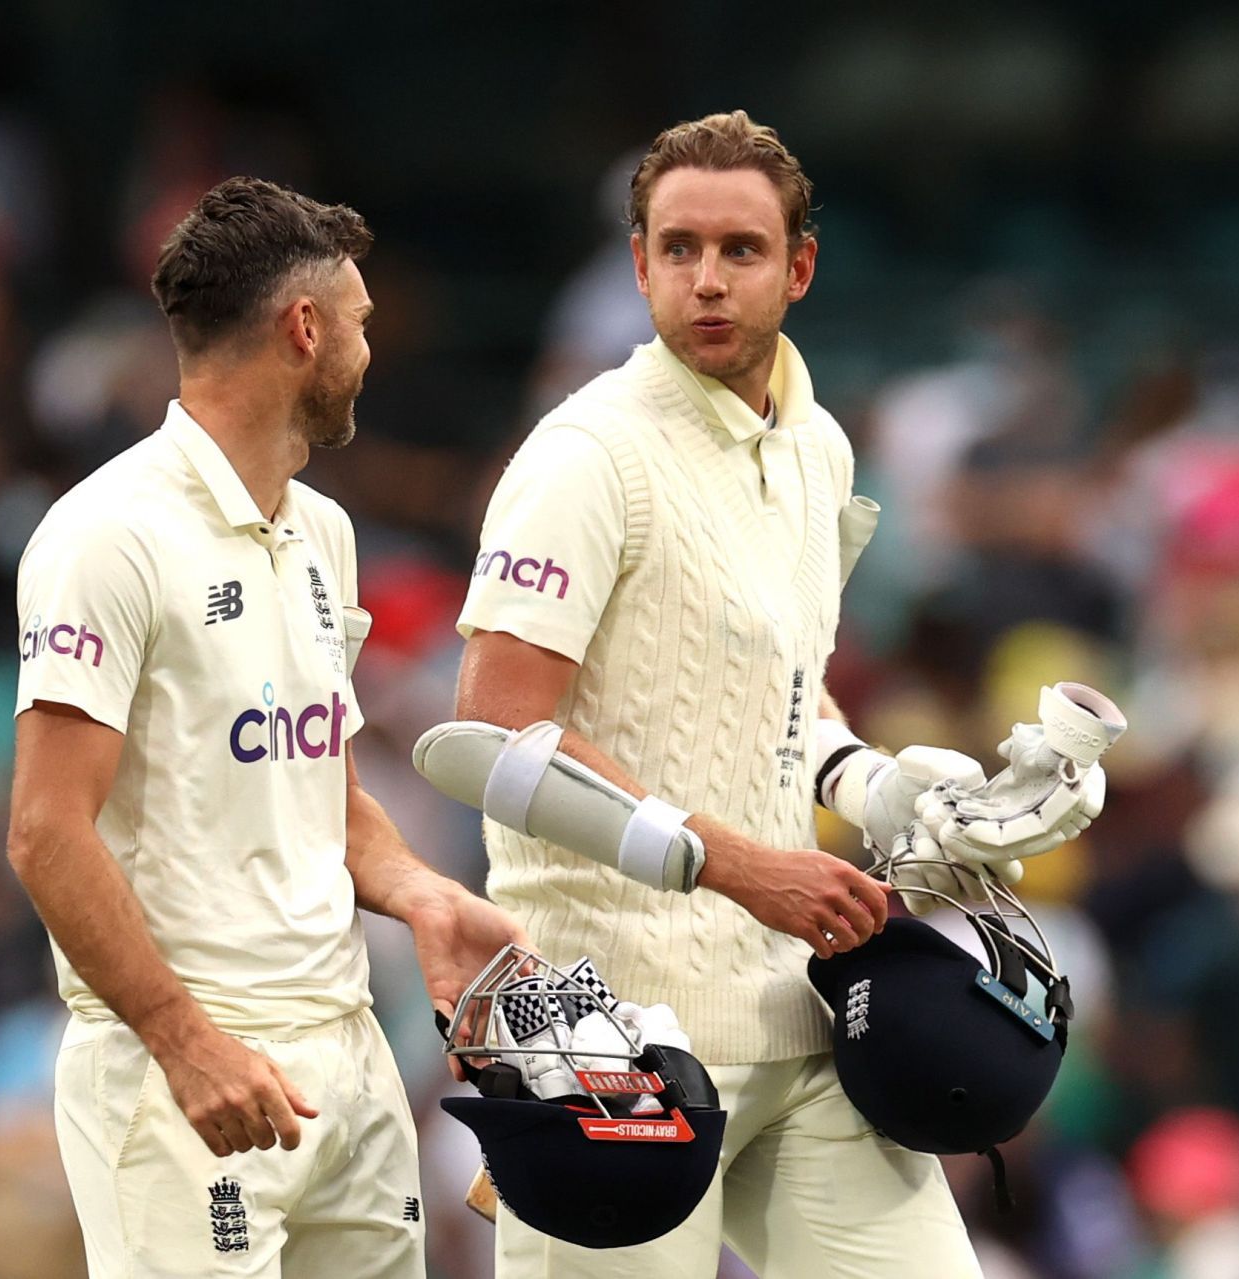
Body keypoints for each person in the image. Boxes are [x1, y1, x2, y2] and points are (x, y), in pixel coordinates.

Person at [453, 111, 1015, 1277]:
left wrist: (883, 785)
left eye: (742, 250)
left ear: (799, 268)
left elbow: (786, 703)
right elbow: (496, 730)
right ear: (640, 264)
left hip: (794, 1014)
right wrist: (741, 865)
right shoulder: (584, 454)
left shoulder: (818, 450)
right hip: (606, 1038)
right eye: (678, 249)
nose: (706, 279)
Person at [7, 176, 527, 1278]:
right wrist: (184, 1042)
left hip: (348, 1055)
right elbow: (47, 832)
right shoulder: (105, 537)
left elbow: (319, 793)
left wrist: (422, 891)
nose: (369, 353)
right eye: (362, 325)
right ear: (306, 330)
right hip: (189, 1071)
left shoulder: (323, 535)